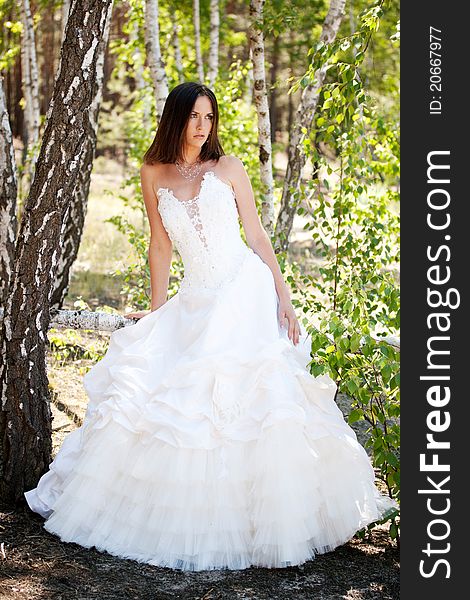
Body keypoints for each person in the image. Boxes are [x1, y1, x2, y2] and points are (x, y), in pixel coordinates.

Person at [24, 82, 396, 572]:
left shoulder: (229, 167)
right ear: (176, 118)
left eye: (209, 117)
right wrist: (157, 312)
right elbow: (160, 244)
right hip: (196, 294)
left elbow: (257, 235)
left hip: (245, 287)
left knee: (254, 392)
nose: (203, 127)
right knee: (172, 397)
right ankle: (190, 515)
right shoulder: (152, 172)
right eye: (195, 117)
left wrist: (284, 297)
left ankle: (276, 516)